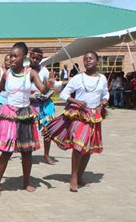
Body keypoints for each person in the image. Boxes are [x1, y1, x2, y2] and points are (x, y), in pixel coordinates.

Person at [0, 42, 54, 196]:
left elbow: (42, 90)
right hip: (9, 114)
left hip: (25, 114)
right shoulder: (7, 74)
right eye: (11, 55)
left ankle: (26, 181)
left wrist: (49, 84)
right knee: (6, 151)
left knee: (27, 152)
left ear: (24, 57)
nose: (12, 58)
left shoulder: (31, 73)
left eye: (16, 56)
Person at [43, 51, 109, 192]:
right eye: (85, 59)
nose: (88, 61)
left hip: (93, 117)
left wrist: (103, 102)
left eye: (91, 59)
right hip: (79, 116)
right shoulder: (78, 78)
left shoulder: (102, 78)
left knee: (88, 149)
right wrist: (76, 101)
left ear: (97, 61)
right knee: (78, 146)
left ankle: (80, 176)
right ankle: (73, 177)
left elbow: (105, 93)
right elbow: (63, 94)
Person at [28, 47, 63, 165]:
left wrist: (48, 92)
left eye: (38, 58)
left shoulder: (44, 71)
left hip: (45, 104)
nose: (35, 59)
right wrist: (30, 97)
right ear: (29, 56)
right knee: (29, 130)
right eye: (33, 57)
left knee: (47, 129)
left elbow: (51, 86)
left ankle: (46, 155)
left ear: (41, 58)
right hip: (29, 103)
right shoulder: (24, 71)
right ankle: (28, 154)